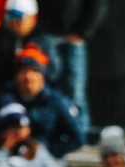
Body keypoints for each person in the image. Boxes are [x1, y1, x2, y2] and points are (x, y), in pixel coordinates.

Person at [38, 0, 107, 133]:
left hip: (72, 38)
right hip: (44, 36)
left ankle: (80, 135)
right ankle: (48, 135)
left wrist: (83, 32)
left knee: (75, 91)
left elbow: (98, 5)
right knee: (43, 89)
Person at [0, 0, 56, 111]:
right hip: (4, 95)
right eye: (10, 16)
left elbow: (53, 72)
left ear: (33, 18)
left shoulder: (43, 40)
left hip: (37, 98)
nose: (15, 21)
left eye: (19, 16)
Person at [7, 47, 83, 159]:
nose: (28, 77)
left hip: (45, 159)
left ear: (42, 75)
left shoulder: (56, 101)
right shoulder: (7, 99)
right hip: (10, 158)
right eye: (23, 71)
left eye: (34, 71)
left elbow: (78, 138)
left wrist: (47, 151)